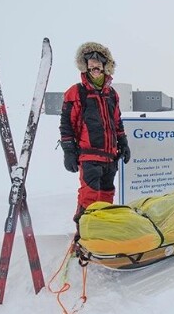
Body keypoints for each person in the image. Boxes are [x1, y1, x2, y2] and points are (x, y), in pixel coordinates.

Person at [59, 41, 131, 241]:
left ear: (105, 66)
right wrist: (69, 151)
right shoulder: (76, 92)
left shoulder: (112, 94)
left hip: (110, 156)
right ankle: (83, 235)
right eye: (90, 67)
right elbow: (66, 124)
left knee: (107, 194)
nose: (94, 70)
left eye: (98, 66)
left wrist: (123, 144)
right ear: (85, 67)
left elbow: (117, 122)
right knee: (89, 195)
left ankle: (102, 233)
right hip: (89, 155)